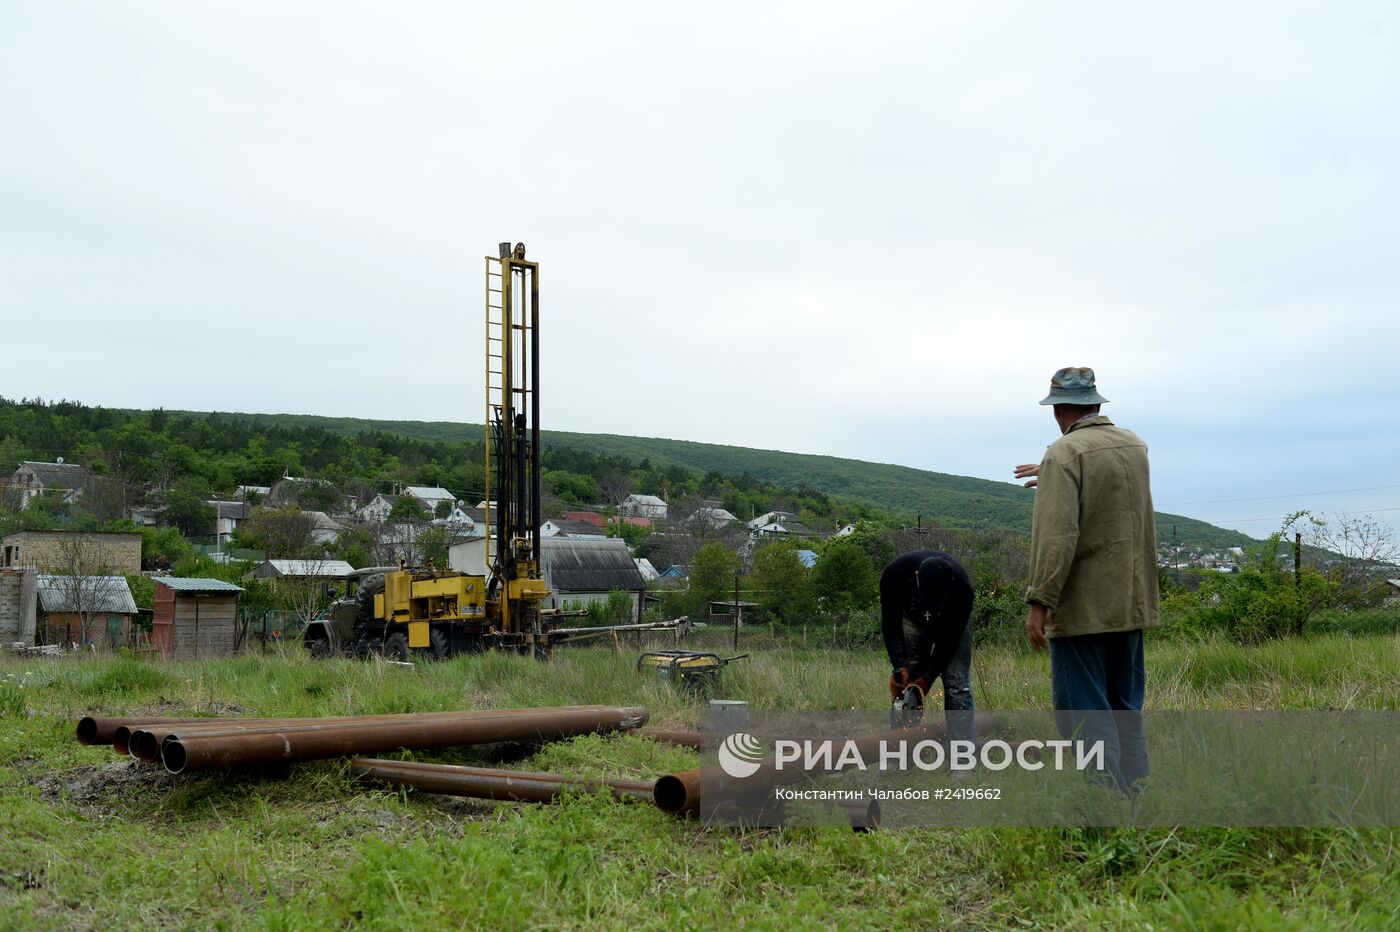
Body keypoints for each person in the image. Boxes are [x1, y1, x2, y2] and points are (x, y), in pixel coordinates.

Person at [1019, 366, 1158, 794]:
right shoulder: (1134, 446)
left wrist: (1040, 602)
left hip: (1083, 611)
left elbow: (1057, 537)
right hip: (1130, 602)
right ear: (1097, 404)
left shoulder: (1063, 454)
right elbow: (1110, 498)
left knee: (1085, 712)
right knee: (1124, 706)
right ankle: (1137, 795)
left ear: (1058, 410)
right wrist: (1056, 476)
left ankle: (1103, 806)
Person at [879, 550, 975, 741]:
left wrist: (928, 677)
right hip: (913, 620)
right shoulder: (894, 575)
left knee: (957, 685)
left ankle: (962, 755)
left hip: (952, 626)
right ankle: (900, 751)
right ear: (917, 577)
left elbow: (950, 640)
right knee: (906, 686)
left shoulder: (963, 590)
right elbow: (890, 623)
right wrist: (899, 665)